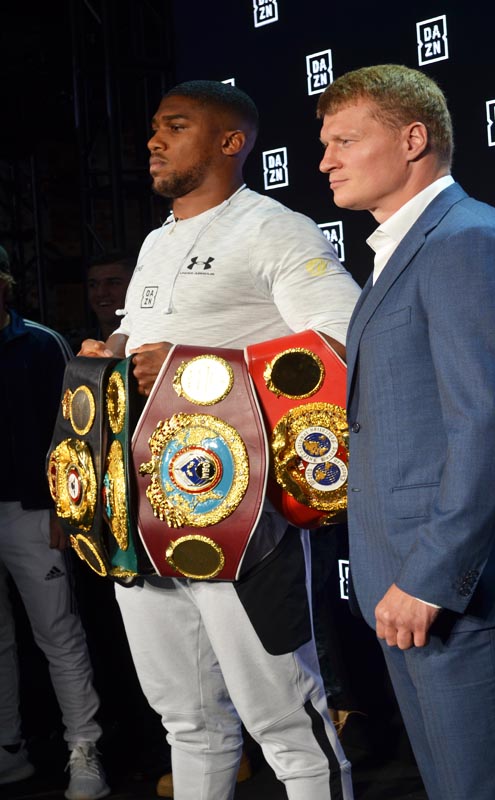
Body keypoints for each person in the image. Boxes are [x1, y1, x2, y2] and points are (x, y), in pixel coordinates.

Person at [316, 64, 495, 800]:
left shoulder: (470, 244)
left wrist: (431, 578)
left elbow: (493, 431)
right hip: (409, 585)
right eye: (324, 142)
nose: (325, 160)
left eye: (346, 140)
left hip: (457, 589)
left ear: (414, 140)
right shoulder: (412, 251)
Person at [80, 80, 360, 800]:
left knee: (286, 724)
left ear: (231, 143)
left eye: (175, 126)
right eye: (153, 126)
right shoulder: (156, 241)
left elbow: (343, 342)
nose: (153, 140)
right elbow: (147, 340)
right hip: (143, 510)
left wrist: (196, 368)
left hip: (239, 514)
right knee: (188, 722)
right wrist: (111, 351)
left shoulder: (273, 228)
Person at [0, 246, 110, 800]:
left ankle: (83, 750)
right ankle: (9, 751)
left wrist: (65, 510)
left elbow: (74, 434)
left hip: (34, 513)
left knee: (59, 634)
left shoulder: (42, 343)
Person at [86, 254, 135, 341]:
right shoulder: (73, 349)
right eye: (93, 285)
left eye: (113, 283)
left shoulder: (158, 346)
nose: (100, 293)